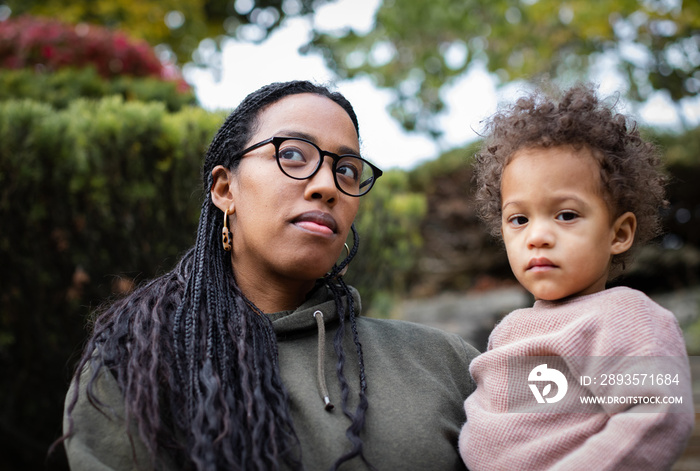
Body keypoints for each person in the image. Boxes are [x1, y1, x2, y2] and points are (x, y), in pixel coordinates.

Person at [60, 80, 478, 471]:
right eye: (293, 154)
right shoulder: (140, 360)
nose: (327, 185)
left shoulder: (447, 363)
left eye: (347, 169)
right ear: (225, 190)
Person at [458, 84, 694, 470]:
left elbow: (657, 413)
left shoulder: (623, 315)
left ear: (618, 234)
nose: (537, 236)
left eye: (566, 215)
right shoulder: (510, 329)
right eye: (519, 219)